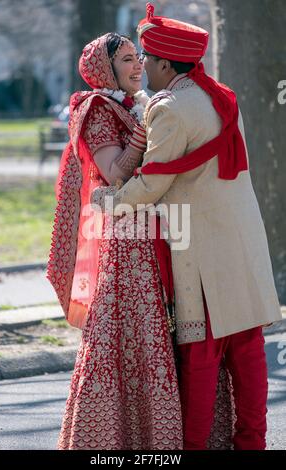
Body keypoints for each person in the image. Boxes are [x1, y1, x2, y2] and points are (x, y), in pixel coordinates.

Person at [92, 4, 282, 450]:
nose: (142, 65)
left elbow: (153, 182)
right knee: (248, 350)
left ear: (164, 62)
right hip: (243, 243)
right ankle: (252, 443)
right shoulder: (221, 95)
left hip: (202, 252)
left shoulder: (172, 108)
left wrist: (109, 201)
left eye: (146, 58)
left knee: (201, 358)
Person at [47, 32, 235, 450]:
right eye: (128, 59)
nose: (138, 66)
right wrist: (142, 134)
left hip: (157, 230)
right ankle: (117, 440)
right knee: (132, 335)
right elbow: (114, 173)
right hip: (126, 240)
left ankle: (174, 436)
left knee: (166, 331)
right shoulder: (97, 110)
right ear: (105, 69)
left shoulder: (134, 105)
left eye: (139, 58)